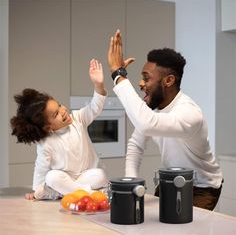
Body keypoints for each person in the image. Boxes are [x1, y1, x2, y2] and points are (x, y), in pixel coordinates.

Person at [107, 30, 223, 210]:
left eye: (146, 78)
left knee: (185, 228)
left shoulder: (189, 114)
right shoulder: (152, 110)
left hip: (202, 187)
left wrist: (118, 75)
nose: (140, 83)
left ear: (168, 80)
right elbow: (136, 145)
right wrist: (131, 183)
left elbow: (146, 123)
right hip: (171, 179)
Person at [10, 59, 108, 200]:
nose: (63, 111)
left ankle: (68, 193)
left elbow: (95, 107)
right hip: (65, 179)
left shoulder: (78, 119)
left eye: (60, 105)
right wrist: (36, 191)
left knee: (101, 174)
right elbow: (41, 169)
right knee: (52, 177)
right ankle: (87, 194)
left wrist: (98, 85)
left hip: (87, 177)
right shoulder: (46, 144)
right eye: (56, 114)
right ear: (48, 127)